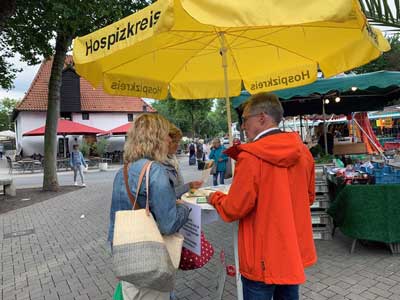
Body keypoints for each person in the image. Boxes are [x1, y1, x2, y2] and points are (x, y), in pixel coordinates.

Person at [207, 92, 317, 300]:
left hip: (261, 255)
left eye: (244, 120)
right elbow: (308, 198)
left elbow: (234, 209)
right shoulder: (303, 152)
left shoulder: (250, 157)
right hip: (290, 251)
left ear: (262, 117)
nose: (242, 126)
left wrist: (215, 198)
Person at [108, 114, 190, 300]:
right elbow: (168, 224)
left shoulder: (123, 171)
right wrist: (183, 208)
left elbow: (115, 220)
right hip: (150, 257)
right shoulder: (156, 171)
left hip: (126, 254)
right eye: (166, 135)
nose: (169, 139)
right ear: (156, 138)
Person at [163, 124, 203, 198]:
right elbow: (167, 196)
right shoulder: (160, 164)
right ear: (165, 141)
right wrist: (189, 186)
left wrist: (190, 186)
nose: (177, 145)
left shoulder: (172, 158)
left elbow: (178, 187)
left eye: (178, 142)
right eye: (175, 141)